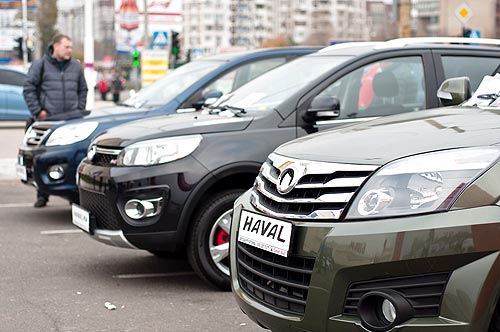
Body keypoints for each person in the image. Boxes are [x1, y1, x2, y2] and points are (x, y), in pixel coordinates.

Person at [23, 34, 88, 208]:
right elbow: (28, 89)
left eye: (70, 47)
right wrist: (39, 112)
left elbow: (83, 89)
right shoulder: (40, 65)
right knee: (45, 158)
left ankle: (71, 194)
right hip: (49, 121)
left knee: (70, 157)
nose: (69, 50)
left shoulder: (75, 66)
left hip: (72, 121)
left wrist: (79, 109)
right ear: (56, 46)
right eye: (66, 47)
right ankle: (42, 194)